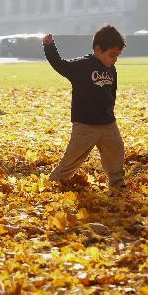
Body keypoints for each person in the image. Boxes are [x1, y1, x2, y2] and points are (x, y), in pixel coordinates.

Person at [43, 25, 126, 190]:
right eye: (112, 55)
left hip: (107, 123)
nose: (114, 60)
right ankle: (55, 182)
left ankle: (117, 184)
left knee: (116, 151)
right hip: (85, 125)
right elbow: (60, 65)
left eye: (117, 56)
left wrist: (110, 109)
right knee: (73, 158)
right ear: (98, 49)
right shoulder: (81, 66)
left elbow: (112, 92)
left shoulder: (111, 70)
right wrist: (49, 47)